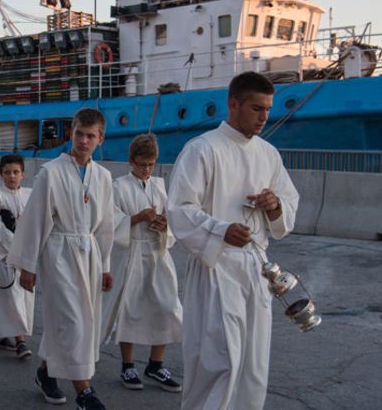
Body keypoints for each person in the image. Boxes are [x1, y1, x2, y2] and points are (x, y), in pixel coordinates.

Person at [167, 71, 299, 410]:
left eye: (268, 109)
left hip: (256, 270)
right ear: (233, 104)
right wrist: (219, 229)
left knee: (253, 367)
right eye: (256, 108)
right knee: (219, 362)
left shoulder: (269, 154)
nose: (264, 117)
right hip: (217, 267)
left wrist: (275, 206)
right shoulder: (202, 149)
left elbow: (287, 202)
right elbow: (180, 208)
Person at [8, 108, 114, 410]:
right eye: (79, 133)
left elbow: (105, 224)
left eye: (90, 136)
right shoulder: (51, 172)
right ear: (71, 132)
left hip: (90, 254)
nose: (83, 140)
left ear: (100, 139)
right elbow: (36, 219)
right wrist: (28, 265)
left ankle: (45, 372)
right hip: (59, 254)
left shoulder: (104, 177)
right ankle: (84, 392)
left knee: (77, 321)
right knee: (72, 321)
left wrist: (106, 265)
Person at [102, 133, 182, 393]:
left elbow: (173, 218)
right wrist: (136, 218)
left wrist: (165, 224)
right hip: (132, 252)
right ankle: (128, 364)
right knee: (131, 308)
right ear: (130, 161)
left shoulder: (159, 184)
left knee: (166, 306)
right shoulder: (118, 186)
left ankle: (156, 364)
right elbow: (109, 222)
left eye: (150, 164)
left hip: (157, 252)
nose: (146, 169)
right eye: (141, 164)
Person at [0, 154, 34, 359]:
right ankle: (20, 341)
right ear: (1, 174)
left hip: (28, 256)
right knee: (11, 295)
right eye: (7, 172)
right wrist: (15, 247)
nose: (11, 176)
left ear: (22, 174)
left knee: (24, 297)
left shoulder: (31, 195)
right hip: (6, 255)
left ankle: (5, 335)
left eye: (15, 172)